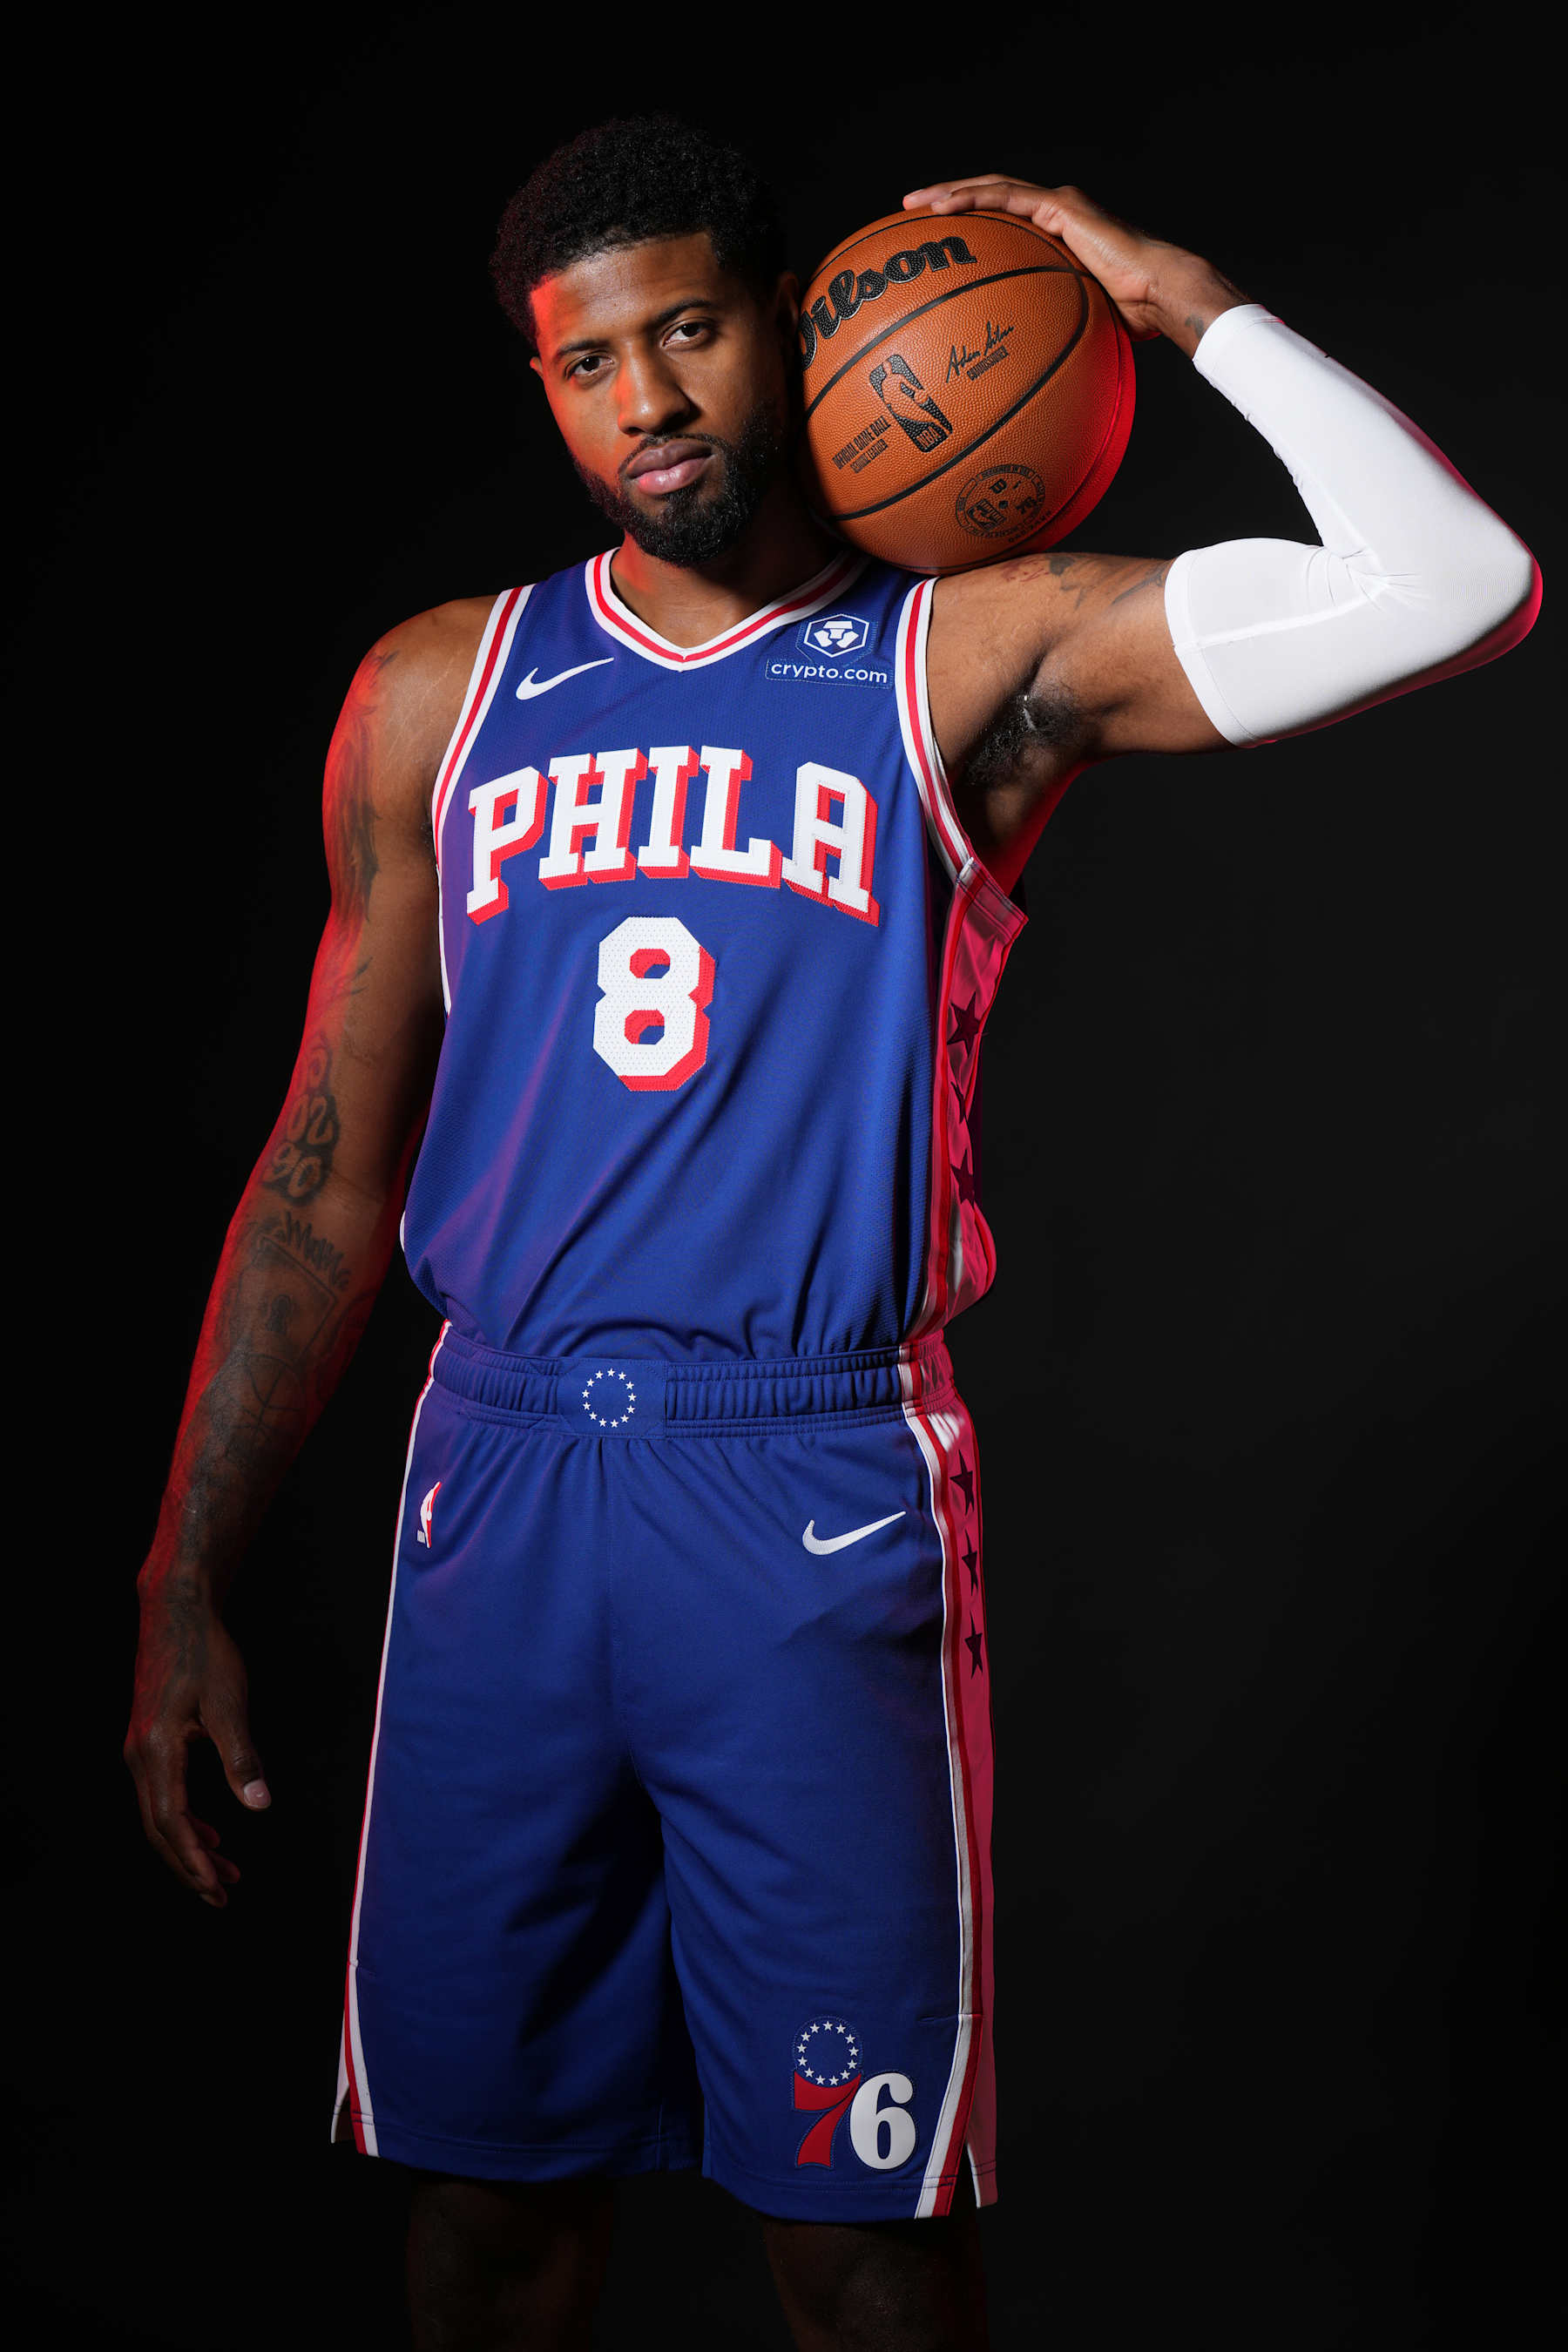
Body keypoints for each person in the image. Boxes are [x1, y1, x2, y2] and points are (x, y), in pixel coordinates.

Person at [124, 115, 1540, 2352]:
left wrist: (1173, 298)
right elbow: (325, 1165)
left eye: (688, 333)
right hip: (496, 1490)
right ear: (549, 390)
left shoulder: (967, 661)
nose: (649, 403)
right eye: (590, 365)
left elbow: (1457, 583)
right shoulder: (437, 693)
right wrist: (187, 1566)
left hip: (807, 1491)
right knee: (484, 2231)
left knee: (865, 2252)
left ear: (794, 329)